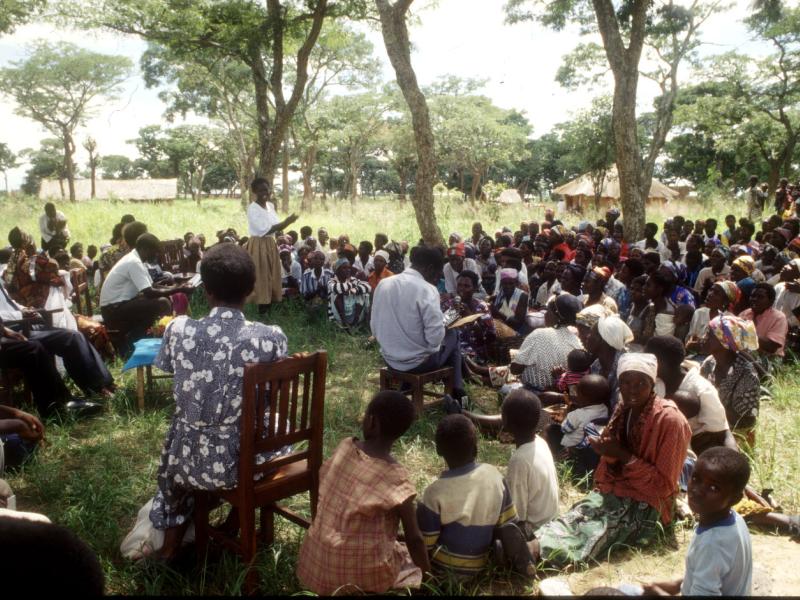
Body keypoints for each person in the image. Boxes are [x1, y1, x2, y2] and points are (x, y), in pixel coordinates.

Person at [146, 243, 289, 560]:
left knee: (180, 446)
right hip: (243, 460)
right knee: (273, 426)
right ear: (251, 290)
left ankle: (169, 548)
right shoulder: (270, 336)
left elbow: (169, 368)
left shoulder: (178, 329)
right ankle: (234, 522)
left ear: (206, 291)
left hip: (186, 458)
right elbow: (273, 393)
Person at [532, 353, 691, 568]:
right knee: (577, 516)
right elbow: (611, 462)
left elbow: (664, 487)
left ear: (652, 384)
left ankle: (534, 554)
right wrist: (606, 452)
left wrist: (621, 455)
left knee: (597, 531)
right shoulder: (623, 408)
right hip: (615, 490)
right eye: (626, 382)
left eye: (640, 383)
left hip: (647, 503)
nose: (632, 389)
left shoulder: (671, 421)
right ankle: (531, 543)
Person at [296, 391, 429, 595]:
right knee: (406, 559)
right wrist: (430, 582)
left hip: (315, 566)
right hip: (362, 580)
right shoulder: (396, 478)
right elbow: (415, 539)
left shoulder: (345, 448)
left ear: (372, 422)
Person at [416, 414, 517, 577]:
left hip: (443, 574)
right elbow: (509, 524)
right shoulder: (494, 475)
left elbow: (424, 545)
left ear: (438, 450)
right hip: (483, 567)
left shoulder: (433, 493)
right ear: (476, 448)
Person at [644, 447, 752, 596]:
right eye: (695, 478)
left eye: (714, 487)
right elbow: (712, 572)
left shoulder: (712, 543)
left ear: (735, 499)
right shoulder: (735, 519)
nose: (697, 490)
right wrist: (677, 585)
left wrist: (658, 594)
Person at [371, 246, 466, 401]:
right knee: (453, 334)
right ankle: (458, 390)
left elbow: (374, 329)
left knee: (448, 332)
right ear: (429, 268)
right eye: (436, 275)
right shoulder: (427, 289)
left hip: (390, 360)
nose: (437, 279)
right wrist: (446, 322)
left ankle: (407, 386)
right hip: (419, 363)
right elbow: (434, 339)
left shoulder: (383, 284)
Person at [100, 232, 193, 353]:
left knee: (162, 300)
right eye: (154, 251)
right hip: (113, 310)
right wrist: (179, 289)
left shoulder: (136, 259)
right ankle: (164, 342)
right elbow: (150, 293)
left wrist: (176, 285)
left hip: (119, 305)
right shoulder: (134, 262)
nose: (156, 254)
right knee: (162, 303)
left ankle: (144, 339)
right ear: (145, 249)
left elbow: (152, 286)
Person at [645, 335, 735, 455]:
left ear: (660, 363)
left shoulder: (702, 389)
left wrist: (731, 459)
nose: (645, 364)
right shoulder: (655, 382)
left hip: (695, 452)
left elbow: (722, 432)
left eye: (649, 361)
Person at [502, 389, 559, 537]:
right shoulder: (541, 442)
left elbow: (516, 515)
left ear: (506, 422)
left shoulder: (519, 460)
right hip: (550, 523)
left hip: (534, 532)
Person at [700, 315, 762, 438]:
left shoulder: (747, 374)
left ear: (725, 341)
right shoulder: (709, 363)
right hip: (710, 425)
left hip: (736, 434)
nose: (703, 338)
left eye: (709, 335)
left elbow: (745, 421)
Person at [245, 178, 299, 313]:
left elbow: (275, 226)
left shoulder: (270, 206)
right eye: (261, 190)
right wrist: (287, 222)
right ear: (254, 192)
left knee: (271, 273)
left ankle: (270, 302)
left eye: (267, 189)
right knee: (261, 274)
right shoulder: (252, 208)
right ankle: (262, 307)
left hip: (270, 243)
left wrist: (283, 233)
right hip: (259, 243)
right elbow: (266, 229)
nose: (265, 192)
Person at [511, 293, 584, 392]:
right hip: (560, 394)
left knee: (506, 388)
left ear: (556, 315)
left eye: (548, 310)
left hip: (533, 392)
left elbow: (515, 369)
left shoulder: (539, 334)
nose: (545, 314)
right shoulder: (577, 342)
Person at [739, 282, 788, 357]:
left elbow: (772, 347)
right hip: (745, 356)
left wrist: (746, 333)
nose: (754, 299)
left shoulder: (779, 318)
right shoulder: (745, 313)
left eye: (760, 297)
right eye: (753, 296)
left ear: (770, 301)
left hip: (768, 361)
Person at [327, 258, 371, 330]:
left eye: (349, 268)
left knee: (364, 294)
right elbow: (337, 288)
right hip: (338, 317)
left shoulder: (352, 279)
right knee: (336, 293)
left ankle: (356, 323)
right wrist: (352, 285)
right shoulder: (332, 281)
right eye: (344, 268)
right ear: (337, 270)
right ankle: (345, 325)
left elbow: (368, 287)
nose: (348, 270)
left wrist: (355, 290)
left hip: (353, 313)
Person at [491, 268, 530, 335]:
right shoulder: (501, 294)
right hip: (503, 328)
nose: (508, 286)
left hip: (518, 331)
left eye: (511, 283)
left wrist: (498, 313)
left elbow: (518, 322)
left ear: (516, 283)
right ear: (501, 283)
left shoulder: (522, 296)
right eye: (505, 283)